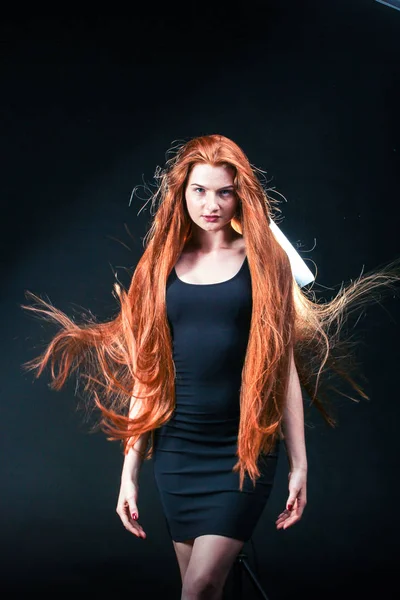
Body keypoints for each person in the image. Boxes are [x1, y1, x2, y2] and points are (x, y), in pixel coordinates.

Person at [22, 134, 400, 600]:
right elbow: (148, 371)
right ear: (181, 193)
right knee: (203, 591)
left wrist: (300, 465)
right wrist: (129, 472)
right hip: (178, 450)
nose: (211, 203)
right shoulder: (160, 265)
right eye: (199, 190)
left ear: (240, 195)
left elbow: (281, 369)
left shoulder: (266, 263)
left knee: (198, 588)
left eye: (223, 191)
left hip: (243, 450)